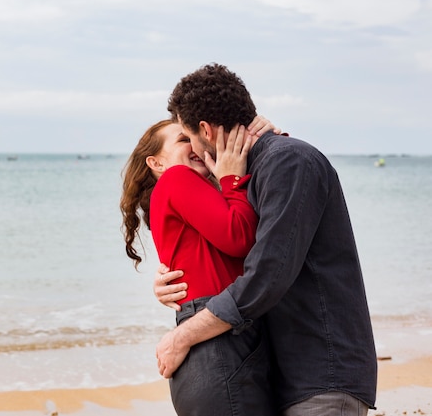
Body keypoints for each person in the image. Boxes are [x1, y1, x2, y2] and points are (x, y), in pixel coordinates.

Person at [154, 63, 377, 416]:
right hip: (285, 375)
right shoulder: (252, 172)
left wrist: (185, 334)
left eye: (188, 136)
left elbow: (267, 275)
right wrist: (170, 279)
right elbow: (229, 251)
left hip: (322, 373)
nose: (193, 149)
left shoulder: (289, 161)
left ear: (205, 130)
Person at [120, 117, 280, 415]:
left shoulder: (196, 193)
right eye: (183, 140)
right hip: (217, 342)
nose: (194, 144)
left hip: (217, 336)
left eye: (193, 137)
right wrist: (233, 180)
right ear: (156, 163)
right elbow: (240, 238)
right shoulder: (176, 178)